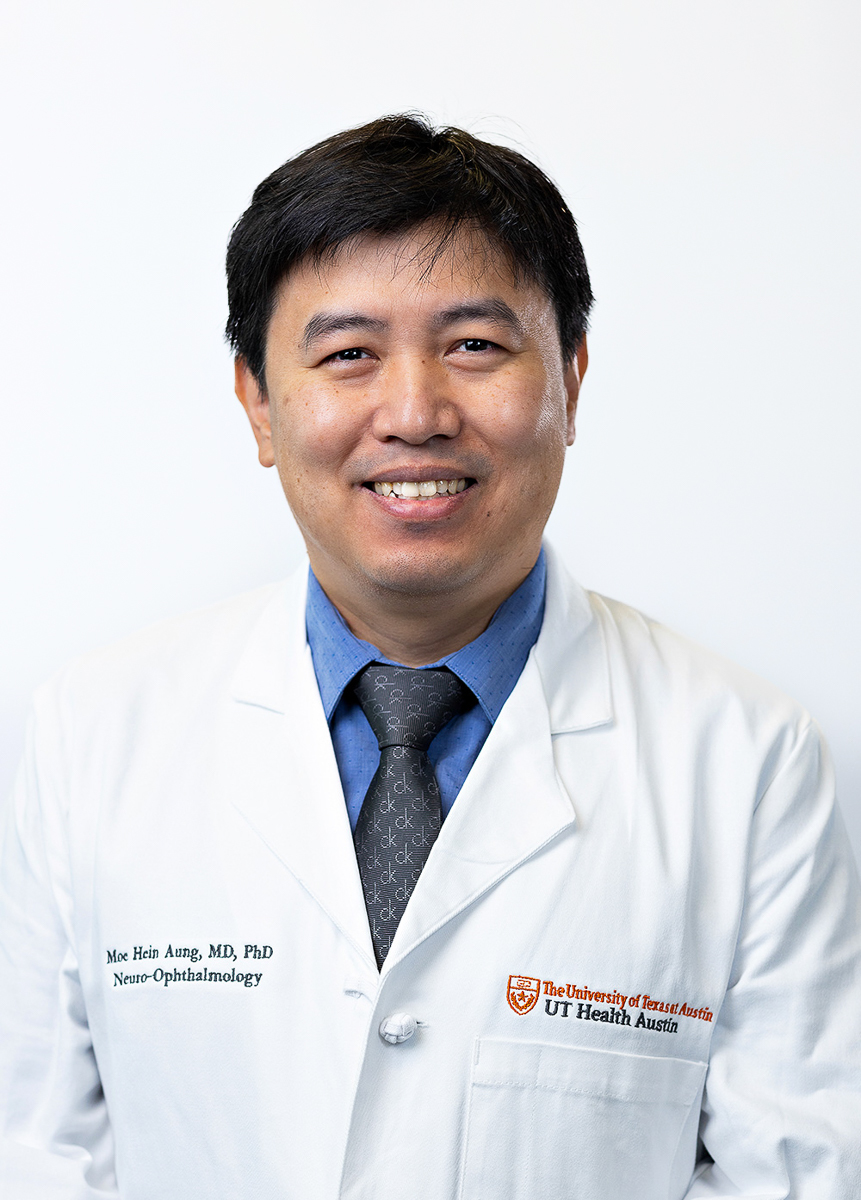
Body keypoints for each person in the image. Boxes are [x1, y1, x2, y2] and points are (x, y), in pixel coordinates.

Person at [1, 113, 859, 1199]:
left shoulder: (749, 765)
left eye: (474, 347)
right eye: (348, 355)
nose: (412, 413)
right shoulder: (93, 735)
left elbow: (797, 1178)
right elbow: (35, 1159)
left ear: (572, 379)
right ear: (257, 402)